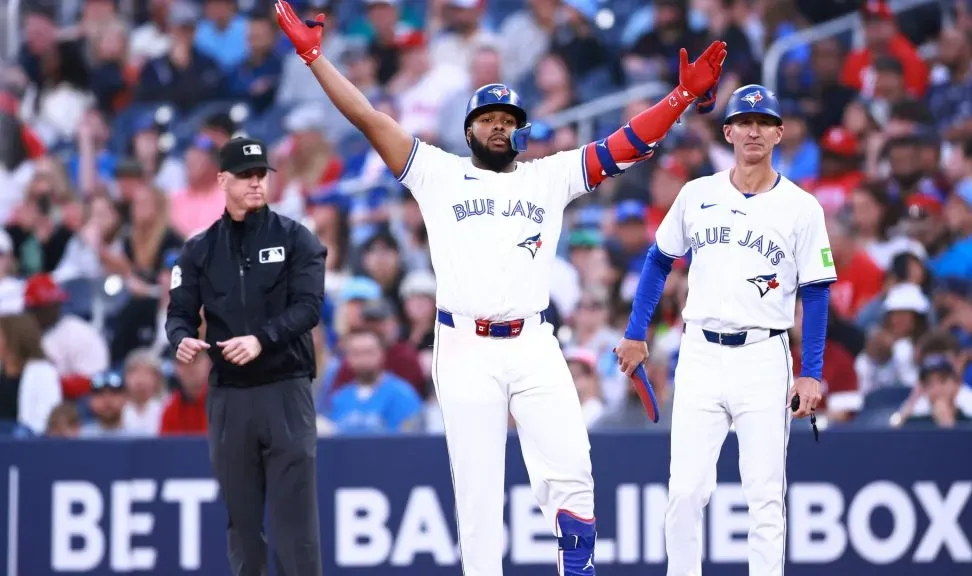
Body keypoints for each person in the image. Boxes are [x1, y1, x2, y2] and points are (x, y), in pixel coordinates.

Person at [273, 2, 726, 573]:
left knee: (573, 469)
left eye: (508, 118)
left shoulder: (547, 176)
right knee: (479, 502)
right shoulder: (438, 172)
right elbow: (368, 117)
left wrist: (680, 99)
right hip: (464, 345)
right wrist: (314, 56)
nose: (498, 125)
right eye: (487, 117)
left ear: (521, 129)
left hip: (533, 341)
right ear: (468, 130)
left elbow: (624, 144)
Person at [614, 85, 834, 576]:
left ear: (779, 132)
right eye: (744, 122)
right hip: (700, 353)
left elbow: (816, 293)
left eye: (764, 123)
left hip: (763, 354)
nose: (754, 130)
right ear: (728, 131)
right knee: (685, 491)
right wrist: (635, 331)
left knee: (763, 494)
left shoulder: (802, 208)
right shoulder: (698, 194)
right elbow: (658, 260)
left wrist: (810, 371)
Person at [164, 136, 328, 576]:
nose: (256, 183)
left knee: (296, 525)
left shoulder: (297, 240)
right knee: (242, 523)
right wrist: (180, 337)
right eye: (245, 175)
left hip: (285, 388)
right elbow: (179, 312)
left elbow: (309, 308)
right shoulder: (199, 248)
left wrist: (262, 338)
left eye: (261, 175)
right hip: (229, 396)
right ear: (222, 180)